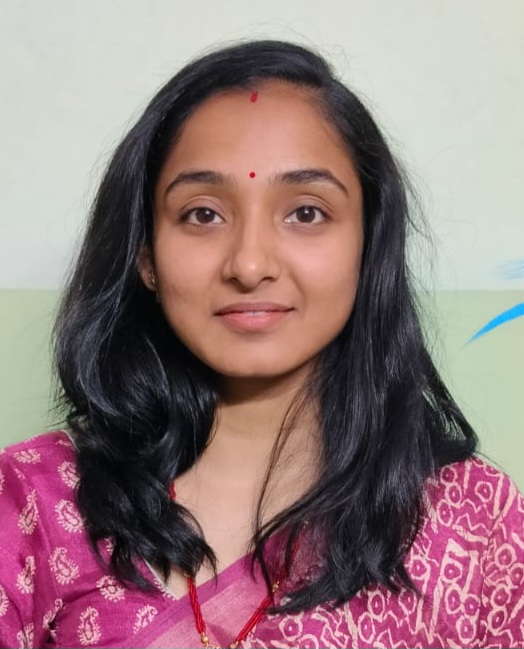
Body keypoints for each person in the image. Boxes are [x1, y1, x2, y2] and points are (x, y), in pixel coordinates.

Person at [0, 40, 522, 649]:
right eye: (202, 214)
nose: (249, 265)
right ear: (145, 255)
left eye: (305, 213)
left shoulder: (472, 523)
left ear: (369, 245)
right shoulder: (33, 505)